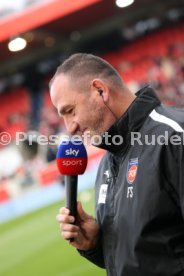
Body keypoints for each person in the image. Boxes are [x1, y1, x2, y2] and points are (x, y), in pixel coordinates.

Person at [49, 53, 184, 276]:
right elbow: (147, 256)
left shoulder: (174, 138)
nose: (69, 127)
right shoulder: (107, 165)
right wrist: (95, 245)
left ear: (100, 91)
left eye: (70, 111)